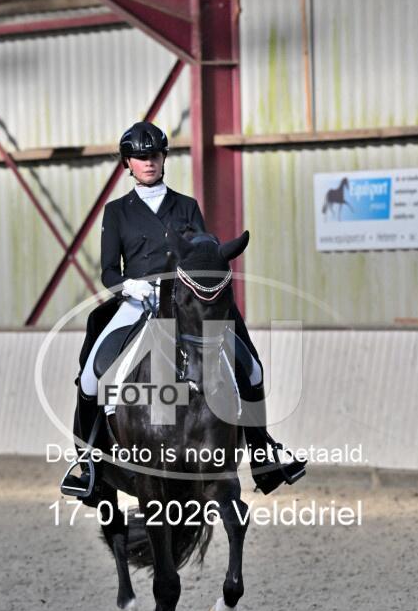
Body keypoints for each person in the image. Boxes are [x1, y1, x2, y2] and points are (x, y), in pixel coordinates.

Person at [61, 121, 305, 499]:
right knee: (92, 376)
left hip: (188, 303)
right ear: (128, 163)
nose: (148, 162)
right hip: (138, 302)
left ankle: (263, 454)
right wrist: (129, 285)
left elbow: (205, 255)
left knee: (252, 369)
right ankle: (89, 464)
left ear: (164, 159)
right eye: (141, 157)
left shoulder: (186, 206)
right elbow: (108, 270)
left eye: (154, 155)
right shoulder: (116, 212)